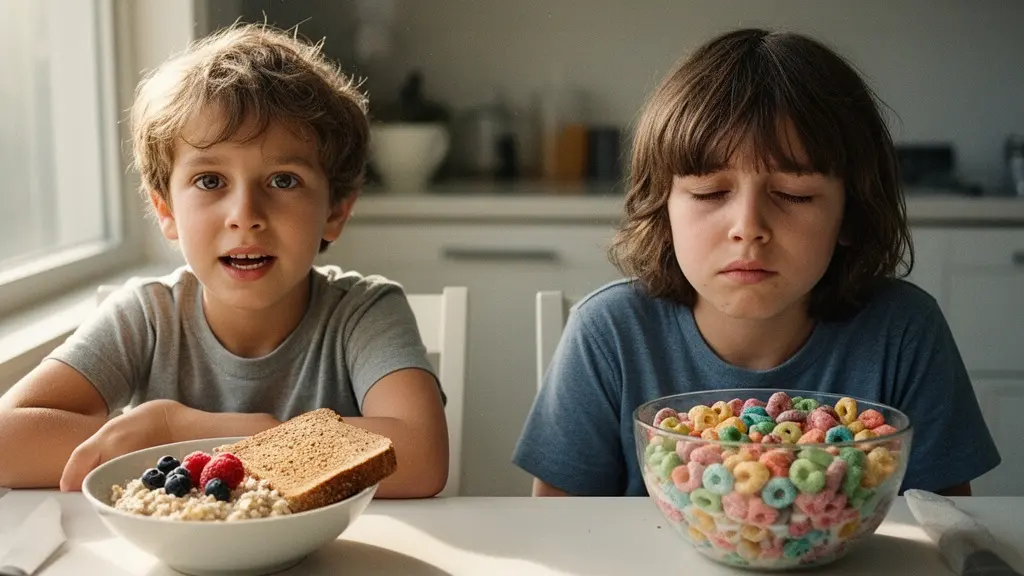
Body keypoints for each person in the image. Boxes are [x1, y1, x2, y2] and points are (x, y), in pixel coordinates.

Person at [513, 28, 1000, 497]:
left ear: (851, 214)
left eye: (794, 194)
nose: (748, 227)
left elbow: (946, 521)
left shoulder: (904, 333)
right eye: (710, 192)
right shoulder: (609, 335)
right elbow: (557, 529)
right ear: (663, 207)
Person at [0, 24, 449, 498]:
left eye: (283, 180)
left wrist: (176, 430)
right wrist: (202, 439)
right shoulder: (145, 318)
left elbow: (421, 455)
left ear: (335, 211)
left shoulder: (364, 313)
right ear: (166, 211)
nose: (245, 216)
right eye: (210, 181)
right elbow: (7, 440)